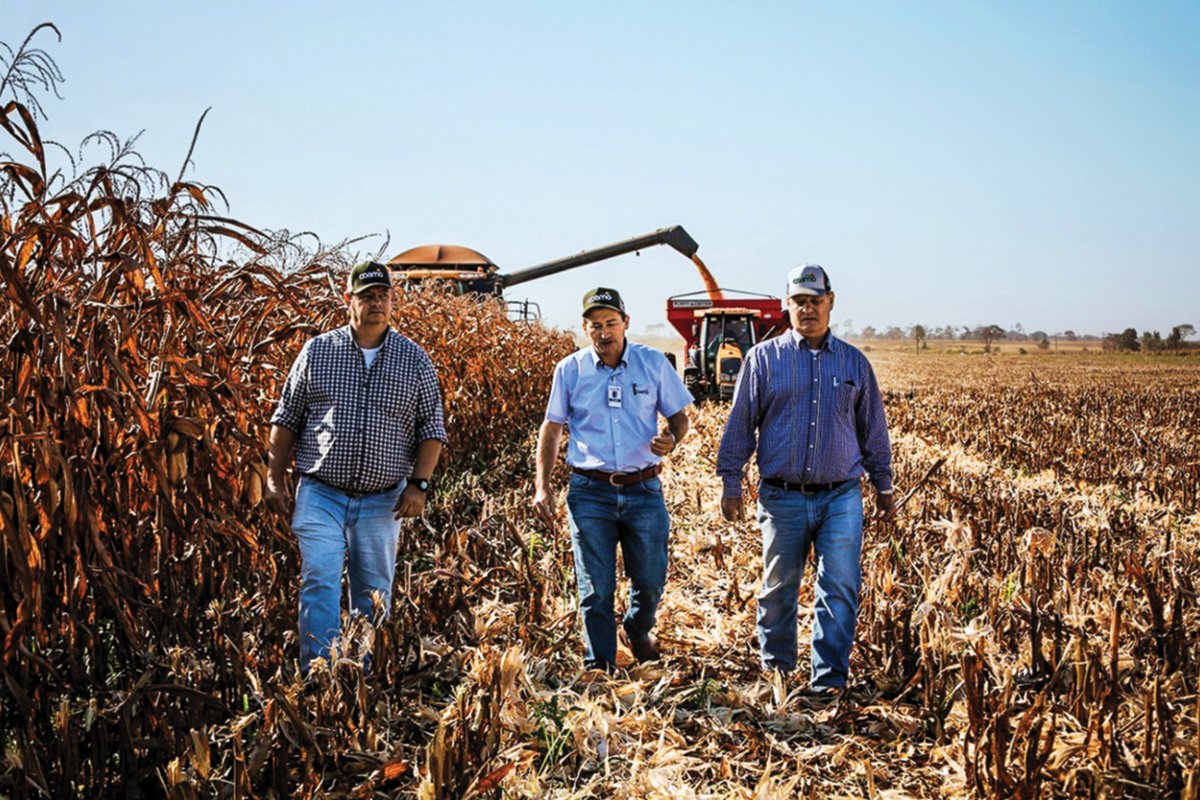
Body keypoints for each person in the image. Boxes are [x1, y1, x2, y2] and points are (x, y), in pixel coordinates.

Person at [716, 264, 895, 693]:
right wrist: (730, 481)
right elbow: (741, 423)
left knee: (840, 586)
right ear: (787, 305)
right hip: (782, 497)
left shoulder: (854, 362)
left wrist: (884, 485)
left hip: (841, 497)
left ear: (831, 302)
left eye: (816, 301)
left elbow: (873, 428)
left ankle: (828, 679)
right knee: (779, 585)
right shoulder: (763, 359)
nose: (808, 309)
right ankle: (777, 670)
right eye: (800, 301)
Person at [266, 261, 447, 673]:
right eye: (367, 297)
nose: (376, 304)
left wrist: (419, 485)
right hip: (321, 491)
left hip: (383, 499)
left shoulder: (413, 359)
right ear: (349, 301)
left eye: (383, 296)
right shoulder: (318, 351)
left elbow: (431, 428)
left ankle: (363, 675)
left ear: (393, 301)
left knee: (373, 592)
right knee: (319, 582)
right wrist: (275, 479)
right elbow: (286, 418)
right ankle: (321, 673)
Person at [533, 287, 692, 671]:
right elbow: (551, 429)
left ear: (626, 323)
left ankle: (637, 629)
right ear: (585, 328)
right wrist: (543, 485)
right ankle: (599, 666)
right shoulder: (570, 370)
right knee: (596, 589)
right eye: (596, 325)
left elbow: (680, 417)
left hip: (643, 488)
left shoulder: (652, 363)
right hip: (590, 492)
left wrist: (672, 438)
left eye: (611, 323)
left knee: (651, 580)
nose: (605, 332)